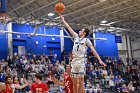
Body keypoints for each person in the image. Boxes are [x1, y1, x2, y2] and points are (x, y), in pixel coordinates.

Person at [60, 15, 106, 93]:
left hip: (81, 61)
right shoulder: (76, 37)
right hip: (74, 62)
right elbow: (69, 28)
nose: (79, 31)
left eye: (81, 30)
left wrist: (99, 59)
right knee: (74, 83)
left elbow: (93, 50)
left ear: (84, 33)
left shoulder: (86, 40)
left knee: (81, 81)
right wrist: (63, 20)